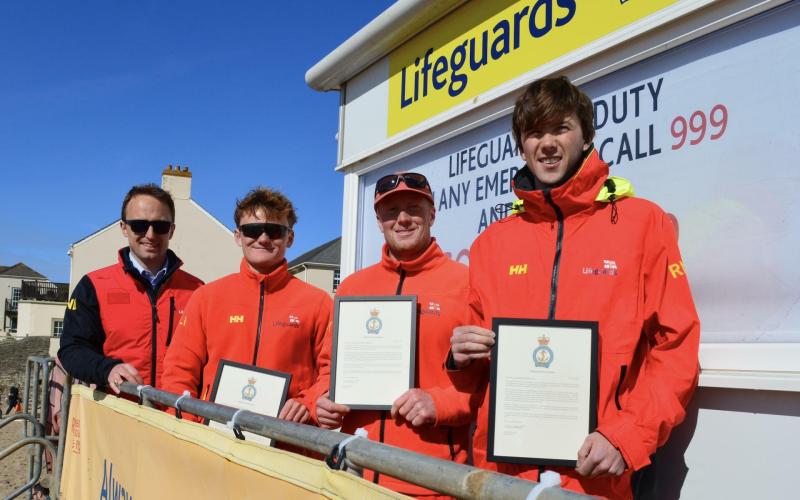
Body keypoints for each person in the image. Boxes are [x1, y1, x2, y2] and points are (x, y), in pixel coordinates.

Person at [450, 76, 700, 499]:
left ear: (586, 137)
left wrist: (628, 435)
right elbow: (476, 366)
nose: (547, 143)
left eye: (561, 128)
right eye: (534, 132)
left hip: (595, 476)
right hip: (503, 476)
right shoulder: (490, 243)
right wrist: (460, 356)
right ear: (522, 146)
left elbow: (676, 347)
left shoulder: (643, 223)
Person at [315, 173, 481, 497]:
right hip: (355, 473)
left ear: (432, 214)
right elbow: (328, 366)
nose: (402, 218)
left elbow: (486, 382)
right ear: (379, 221)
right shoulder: (352, 288)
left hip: (431, 478)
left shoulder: (467, 283)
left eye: (413, 208)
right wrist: (321, 398)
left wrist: (440, 403)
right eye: (391, 211)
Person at [161, 188, 332, 427]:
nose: (263, 239)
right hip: (212, 435)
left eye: (274, 231)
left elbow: (331, 372)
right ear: (238, 236)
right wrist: (187, 425)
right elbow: (179, 370)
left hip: (287, 437)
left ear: (290, 238)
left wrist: (308, 402)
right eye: (252, 230)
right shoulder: (207, 297)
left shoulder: (319, 302)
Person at [59, 184, 203, 393]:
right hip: (118, 408)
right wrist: (108, 369)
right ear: (124, 228)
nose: (150, 235)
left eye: (160, 226)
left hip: (177, 410)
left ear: (171, 230)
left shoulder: (198, 290)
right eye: (139, 225)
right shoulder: (94, 285)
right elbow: (72, 349)